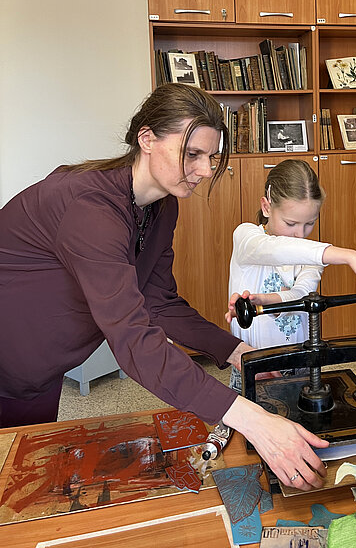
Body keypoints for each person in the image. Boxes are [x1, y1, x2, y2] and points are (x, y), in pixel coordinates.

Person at [0, 83, 328, 491]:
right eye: (192, 154)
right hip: (8, 364)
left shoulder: (161, 206)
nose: (206, 170)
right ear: (147, 139)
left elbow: (158, 302)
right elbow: (134, 339)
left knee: (21, 486)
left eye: (211, 157)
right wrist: (250, 418)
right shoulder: (90, 209)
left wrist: (236, 351)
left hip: (36, 373)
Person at [225, 158, 356, 391]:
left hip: (300, 364)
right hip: (252, 363)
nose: (300, 234)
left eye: (309, 223)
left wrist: (266, 300)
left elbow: (302, 296)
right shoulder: (246, 237)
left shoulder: (311, 256)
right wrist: (351, 256)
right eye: (290, 223)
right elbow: (276, 250)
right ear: (266, 207)